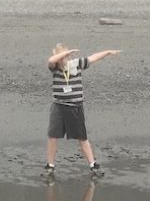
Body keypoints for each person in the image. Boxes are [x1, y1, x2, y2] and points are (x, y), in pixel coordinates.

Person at [44, 43, 120, 179]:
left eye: (65, 57)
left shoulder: (76, 64)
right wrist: (64, 54)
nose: (64, 60)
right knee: (52, 137)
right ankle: (50, 166)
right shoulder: (54, 67)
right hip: (59, 106)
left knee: (82, 138)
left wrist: (107, 51)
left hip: (75, 107)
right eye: (62, 57)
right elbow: (51, 60)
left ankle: (93, 165)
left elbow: (93, 58)